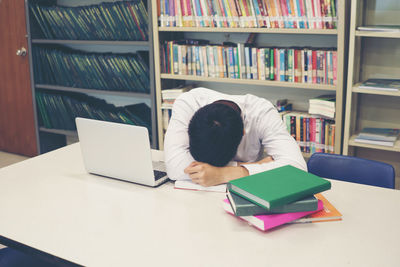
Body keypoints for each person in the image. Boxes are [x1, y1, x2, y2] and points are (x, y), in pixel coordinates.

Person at [164, 87, 306, 187]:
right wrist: (256, 166)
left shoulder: (262, 112)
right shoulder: (188, 103)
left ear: (243, 132)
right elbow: (174, 166)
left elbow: (298, 170)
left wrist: (222, 175)